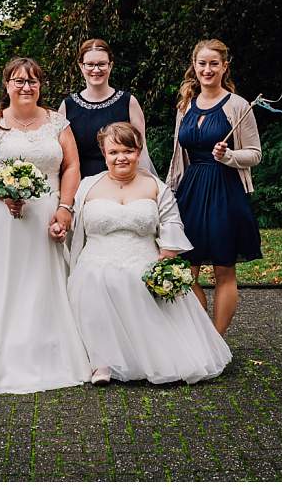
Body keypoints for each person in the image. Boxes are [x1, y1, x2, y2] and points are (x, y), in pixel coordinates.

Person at [0, 57, 91, 394]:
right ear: (7, 85)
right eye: (18, 81)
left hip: (48, 214)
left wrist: (65, 209)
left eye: (32, 81)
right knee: (7, 280)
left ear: (40, 86)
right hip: (7, 217)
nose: (26, 87)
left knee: (47, 280)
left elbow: (71, 166)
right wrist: (5, 191)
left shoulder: (58, 123)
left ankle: (49, 350)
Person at [64, 122, 230, 385]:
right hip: (96, 258)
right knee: (94, 280)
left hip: (144, 258)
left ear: (138, 151)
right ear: (104, 154)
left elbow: (172, 223)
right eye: (114, 152)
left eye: (128, 151)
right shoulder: (87, 186)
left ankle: (151, 358)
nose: (121, 157)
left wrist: (166, 258)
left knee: (137, 280)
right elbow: (71, 223)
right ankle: (101, 361)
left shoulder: (155, 186)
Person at [165, 39, 263, 335]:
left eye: (213, 64)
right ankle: (199, 336)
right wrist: (168, 193)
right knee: (185, 270)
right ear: (194, 67)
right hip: (191, 191)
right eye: (202, 64)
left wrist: (230, 156)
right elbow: (176, 156)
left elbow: (255, 154)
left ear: (224, 67)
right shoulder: (185, 106)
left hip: (225, 191)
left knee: (223, 269)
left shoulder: (238, 106)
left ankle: (217, 340)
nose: (207, 70)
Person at [57, 38, 155, 177]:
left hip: (123, 183)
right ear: (81, 66)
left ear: (110, 65)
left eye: (102, 64)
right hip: (81, 185)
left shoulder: (128, 102)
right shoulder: (68, 106)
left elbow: (141, 150)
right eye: (90, 64)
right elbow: (63, 157)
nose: (96, 70)